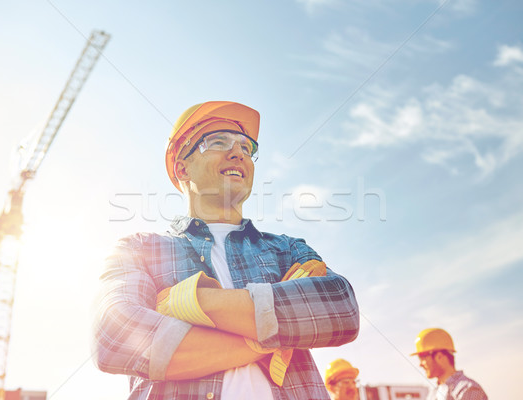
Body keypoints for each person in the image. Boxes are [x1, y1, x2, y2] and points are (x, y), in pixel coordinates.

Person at [92, 101, 360, 399]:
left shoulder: (286, 248)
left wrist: (192, 302)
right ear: (182, 168)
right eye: (218, 142)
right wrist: (276, 336)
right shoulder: (140, 250)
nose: (238, 153)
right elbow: (114, 339)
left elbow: (341, 308)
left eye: (247, 148)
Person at [411, 328, 488, 400]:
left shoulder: (469, 390)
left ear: (439, 357)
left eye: (423, 358)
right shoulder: (434, 393)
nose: (420, 364)